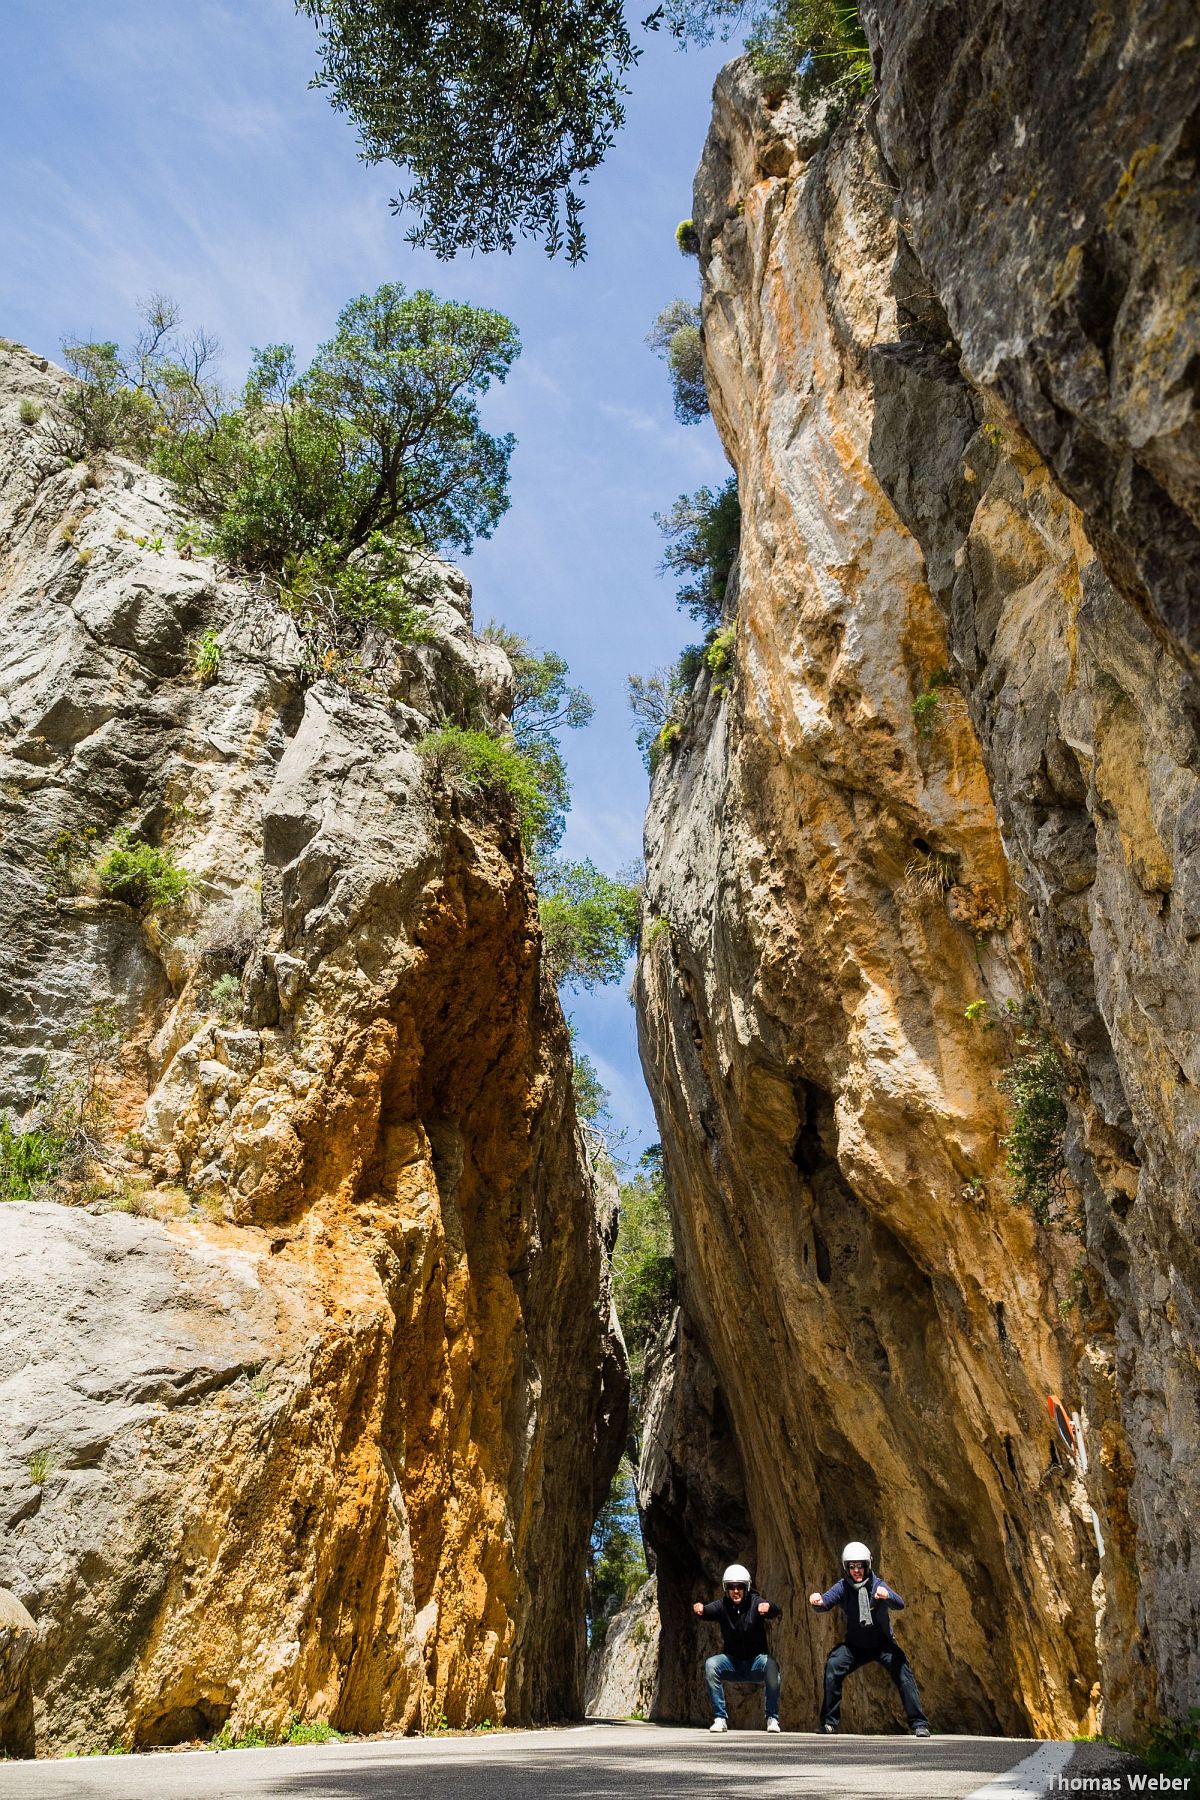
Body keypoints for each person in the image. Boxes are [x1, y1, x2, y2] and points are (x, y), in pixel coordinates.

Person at [808, 1541, 930, 1736]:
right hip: (855, 1646)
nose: (856, 1571)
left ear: (868, 1566)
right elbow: (825, 1603)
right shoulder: (843, 1587)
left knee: (903, 1672)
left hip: (883, 1644)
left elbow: (900, 1604)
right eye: (852, 1567)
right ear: (846, 1568)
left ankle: (919, 1724)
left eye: (860, 1566)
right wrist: (817, 1601)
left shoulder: (878, 1584)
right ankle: (829, 1722)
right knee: (833, 1665)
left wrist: (887, 1595)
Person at [692, 1562, 783, 1732]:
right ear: (726, 1589)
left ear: (747, 1587)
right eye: (731, 1587)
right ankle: (720, 1718)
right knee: (711, 1664)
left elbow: (775, 1610)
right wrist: (701, 1609)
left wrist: (769, 1607)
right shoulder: (722, 1605)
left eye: (740, 1587)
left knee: (771, 1665)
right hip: (732, 1664)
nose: (736, 1591)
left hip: (756, 1664)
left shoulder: (756, 1602)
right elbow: (708, 1611)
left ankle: (772, 1718)